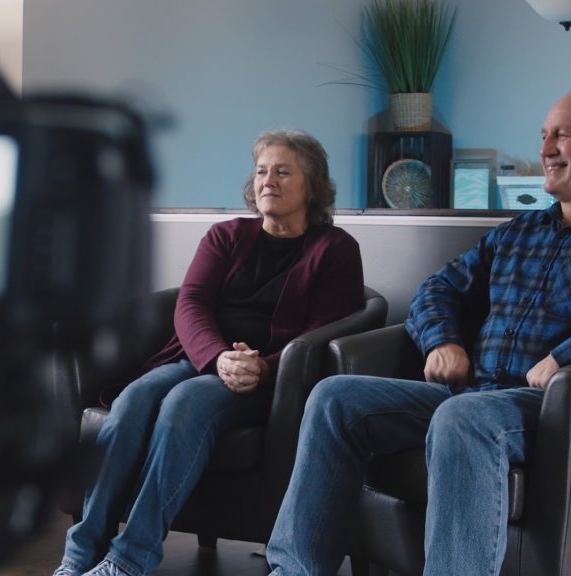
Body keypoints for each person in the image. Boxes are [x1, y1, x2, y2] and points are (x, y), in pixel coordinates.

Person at [266, 89, 571, 576]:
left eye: (562, 135)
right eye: (544, 135)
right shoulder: (518, 233)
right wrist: (442, 340)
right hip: (476, 395)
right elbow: (438, 288)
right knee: (335, 398)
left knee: (463, 416)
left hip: (560, 411)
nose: (545, 149)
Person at [54, 129, 365, 576]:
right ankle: (81, 554)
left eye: (282, 172)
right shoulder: (226, 235)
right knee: (133, 399)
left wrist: (262, 367)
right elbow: (191, 304)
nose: (267, 181)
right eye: (261, 171)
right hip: (200, 358)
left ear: (312, 185)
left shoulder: (336, 250)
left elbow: (321, 331)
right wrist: (217, 357)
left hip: (269, 382)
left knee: (184, 402)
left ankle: (130, 558)